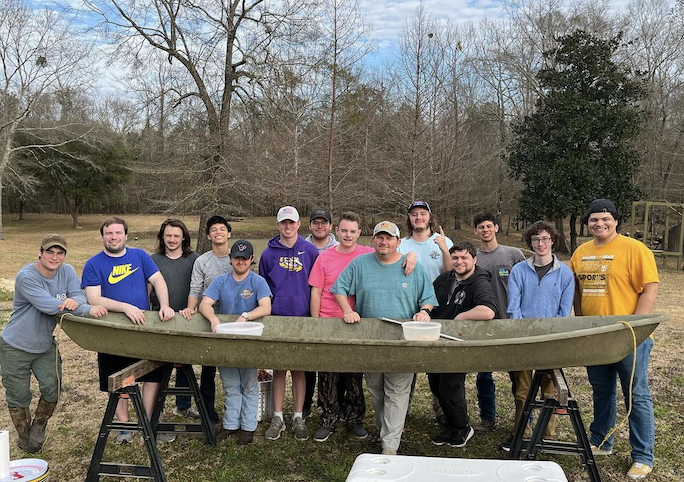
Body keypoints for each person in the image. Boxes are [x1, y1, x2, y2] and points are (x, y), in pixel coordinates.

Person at [331, 221, 437, 455]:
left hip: (403, 340)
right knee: (376, 389)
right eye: (379, 237)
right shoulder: (360, 264)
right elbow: (339, 288)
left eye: (389, 238)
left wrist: (424, 311)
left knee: (397, 392)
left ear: (398, 242)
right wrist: (347, 311)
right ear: (373, 241)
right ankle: (385, 430)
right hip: (371, 340)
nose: (384, 241)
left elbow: (428, 297)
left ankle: (390, 445)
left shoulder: (412, 267)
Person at [571, 199, 659, 480]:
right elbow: (576, 289)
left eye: (605, 219)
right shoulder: (581, 252)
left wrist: (636, 325)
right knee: (601, 390)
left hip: (629, 336)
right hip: (596, 336)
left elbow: (650, 288)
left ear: (616, 221)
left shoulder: (635, 249)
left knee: (636, 395)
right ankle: (601, 440)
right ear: (588, 223)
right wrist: (583, 322)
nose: (599, 224)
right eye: (594, 220)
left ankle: (643, 456)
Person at [0, 234, 107, 453]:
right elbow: (48, 305)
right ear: (40, 252)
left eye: (60, 253)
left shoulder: (66, 271)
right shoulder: (26, 276)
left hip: (44, 344)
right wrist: (85, 309)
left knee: (52, 388)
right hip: (15, 345)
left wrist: (76, 300)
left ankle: (39, 425)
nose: (54, 257)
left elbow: (79, 294)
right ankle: (24, 435)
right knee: (18, 395)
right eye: (50, 252)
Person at [82, 217, 176, 444]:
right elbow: (93, 298)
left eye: (117, 233)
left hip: (141, 326)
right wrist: (125, 307)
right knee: (117, 377)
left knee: (151, 373)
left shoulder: (140, 256)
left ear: (125, 235)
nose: (113, 237)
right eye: (109, 233)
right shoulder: (94, 264)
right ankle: (124, 426)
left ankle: (146, 421)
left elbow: (159, 281)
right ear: (103, 236)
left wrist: (164, 305)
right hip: (111, 330)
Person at [502, 221, 574, 451]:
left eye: (544, 239)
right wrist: (523, 333)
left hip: (551, 341)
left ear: (552, 241)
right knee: (522, 389)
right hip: (524, 339)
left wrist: (554, 336)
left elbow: (565, 310)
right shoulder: (519, 271)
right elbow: (514, 307)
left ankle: (547, 434)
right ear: (530, 242)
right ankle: (522, 430)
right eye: (535, 240)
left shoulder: (565, 273)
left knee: (549, 389)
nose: (540, 244)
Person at [308, 211, 374, 442]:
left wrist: (412, 256)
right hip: (328, 321)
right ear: (337, 231)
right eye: (344, 230)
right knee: (327, 376)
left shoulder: (368, 254)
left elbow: (394, 255)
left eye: (352, 231)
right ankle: (328, 419)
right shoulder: (324, 258)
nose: (348, 235)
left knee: (353, 375)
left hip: (356, 323)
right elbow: (316, 290)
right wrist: (316, 322)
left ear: (359, 233)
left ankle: (354, 419)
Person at [199, 240, 272, 445]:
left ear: (251, 260)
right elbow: (205, 304)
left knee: (249, 384)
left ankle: (248, 426)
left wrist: (246, 316)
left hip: (249, 341)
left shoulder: (258, 282)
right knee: (231, 384)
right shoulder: (220, 281)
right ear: (230, 259)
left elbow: (266, 307)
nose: (241, 262)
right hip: (227, 339)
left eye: (245, 258)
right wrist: (213, 318)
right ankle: (231, 423)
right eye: (237, 258)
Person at [428, 241, 498, 449]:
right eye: (455, 258)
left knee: (451, 387)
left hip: (459, 343)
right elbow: (429, 299)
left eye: (464, 258)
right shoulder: (444, 278)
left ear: (474, 260)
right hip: (437, 340)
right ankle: (449, 426)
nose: (459, 262)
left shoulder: (479, 282)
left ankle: (462, 428)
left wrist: (461, 317)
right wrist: (425, 311)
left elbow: (488, 310)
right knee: (436, 385)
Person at [259, 206, 319, 441]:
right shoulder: (267, 254)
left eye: (291, 222)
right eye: (283, 222)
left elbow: (316, 286)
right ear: (278, 225)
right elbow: (263, 288)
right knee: (279, 368)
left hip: (302, 317)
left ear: (298, 224)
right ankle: (277, 417)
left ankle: (297, 417)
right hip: (277, 318)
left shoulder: (310, 251)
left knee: (299, 369)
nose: (287, 226)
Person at [398, 200, 453, 425]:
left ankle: (441, 409)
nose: (418, 218)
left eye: (422, 214)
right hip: (408, 307)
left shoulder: (442, 241)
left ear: (430, 217)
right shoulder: (401, 244)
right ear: (409, 219)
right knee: (406, 362)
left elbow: (451, 273)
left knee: (437, 362)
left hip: (438, 308)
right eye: (414, 214)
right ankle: (403, 409)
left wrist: (444, 250)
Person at [472, 211, 525, 433]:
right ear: (476, 231)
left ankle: (523, 422)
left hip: (511, 323)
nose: (485, 230)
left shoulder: (513, 255)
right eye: (480, 227)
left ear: (496, 227)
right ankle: (487, 418)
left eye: (488, 226)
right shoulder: (473, 258)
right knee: (484, 375)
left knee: (518, 377)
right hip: (484, 326)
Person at [184, 215, 233, 426]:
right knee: (208, 368)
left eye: (222, 228)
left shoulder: (239, 256)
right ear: (208, 235)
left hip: (234, 317)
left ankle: (236, 413)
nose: (218, 232)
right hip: (209, 318)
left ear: (229, 233)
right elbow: (195, 288)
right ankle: (208, 412)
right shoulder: (202, 261)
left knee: (236, 368)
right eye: (214, 229)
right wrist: (190, 308)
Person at [150, 218, 200, 419]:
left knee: (184, 365)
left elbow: (200, 287)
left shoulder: (194, 259)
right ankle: (156, 410)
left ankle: (183, 406)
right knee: (160, 366)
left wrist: (193, 308)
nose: (172, 239)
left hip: (186, 318)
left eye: (176, 236)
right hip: (160, 319)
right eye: (168, 235)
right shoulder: (153, 259)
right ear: (162, 236)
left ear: (183, 237)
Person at [302, 208, 339, 419]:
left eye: (323, 222)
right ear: (309, 226)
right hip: (305, 306)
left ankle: (331, 404)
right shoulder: (302, 247)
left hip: (331, 310)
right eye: (316, 222)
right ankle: (305, 405)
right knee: (308, 363)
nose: (319, 226)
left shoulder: (338, 248)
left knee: (330, 363)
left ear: (330, 226)